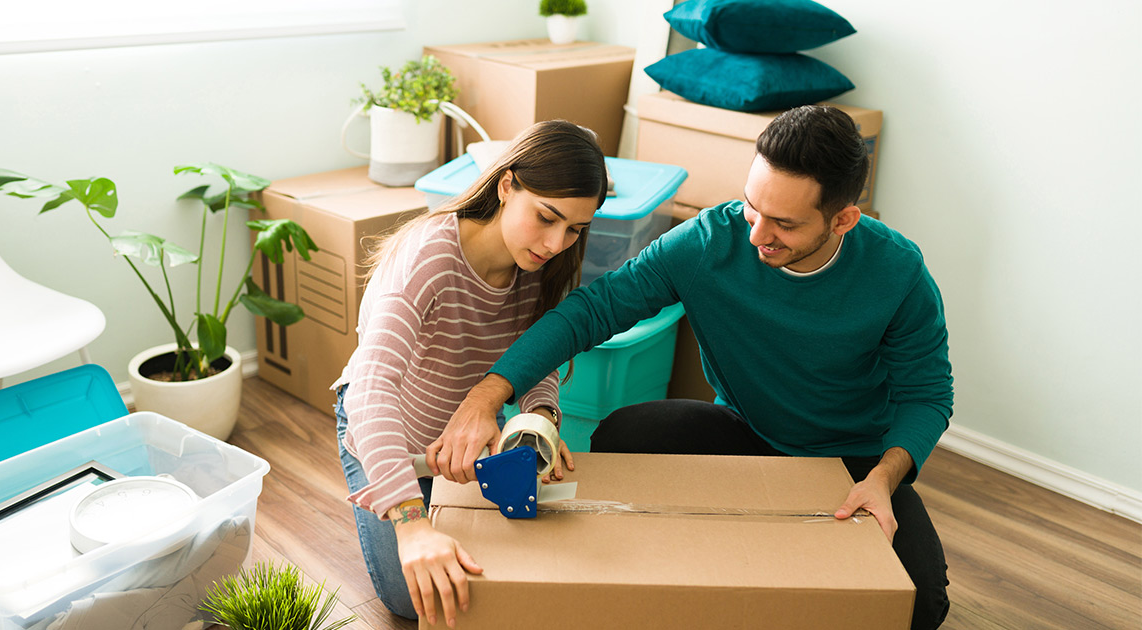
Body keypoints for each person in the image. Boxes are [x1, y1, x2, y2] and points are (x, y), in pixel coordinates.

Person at [439, 105, 953, 630]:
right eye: (753, 207)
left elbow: (928, 394)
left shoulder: (898, 271)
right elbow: (593, 312)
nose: (757, 236)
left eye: (785, 224)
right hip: (747, 433)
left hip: (855, 460)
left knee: (921, 606)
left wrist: (885, 479)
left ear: (843, 218)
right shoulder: (710, 242)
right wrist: (486, 396)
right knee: (624, 433)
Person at [333, 120, 608, 629]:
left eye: (575, 229)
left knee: (499, 572)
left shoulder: (538, 267)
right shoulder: (426, 260)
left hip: (465, 445)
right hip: (389, 434)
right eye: (547, 217)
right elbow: (370, 393)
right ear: (507, 185)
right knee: (412, 599)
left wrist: (539, 419)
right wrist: (412, 524)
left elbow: (535, 359)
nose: (556, 243)